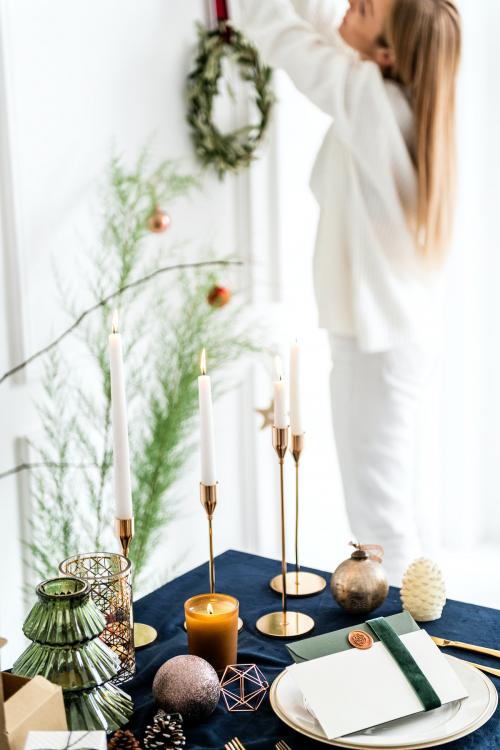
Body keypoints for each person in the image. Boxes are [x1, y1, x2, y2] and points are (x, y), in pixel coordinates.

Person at [232, 0, 462, 582]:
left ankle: (405, 649)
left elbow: (290, 41)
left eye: (362, 7)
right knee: (393, 511)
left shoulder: (371, 102)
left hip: (376, 348)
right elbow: (325, 31)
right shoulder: (398, 99)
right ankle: (420, 635)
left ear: (385, 54)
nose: (346, 5)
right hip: (390, 339)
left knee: (380, 524)